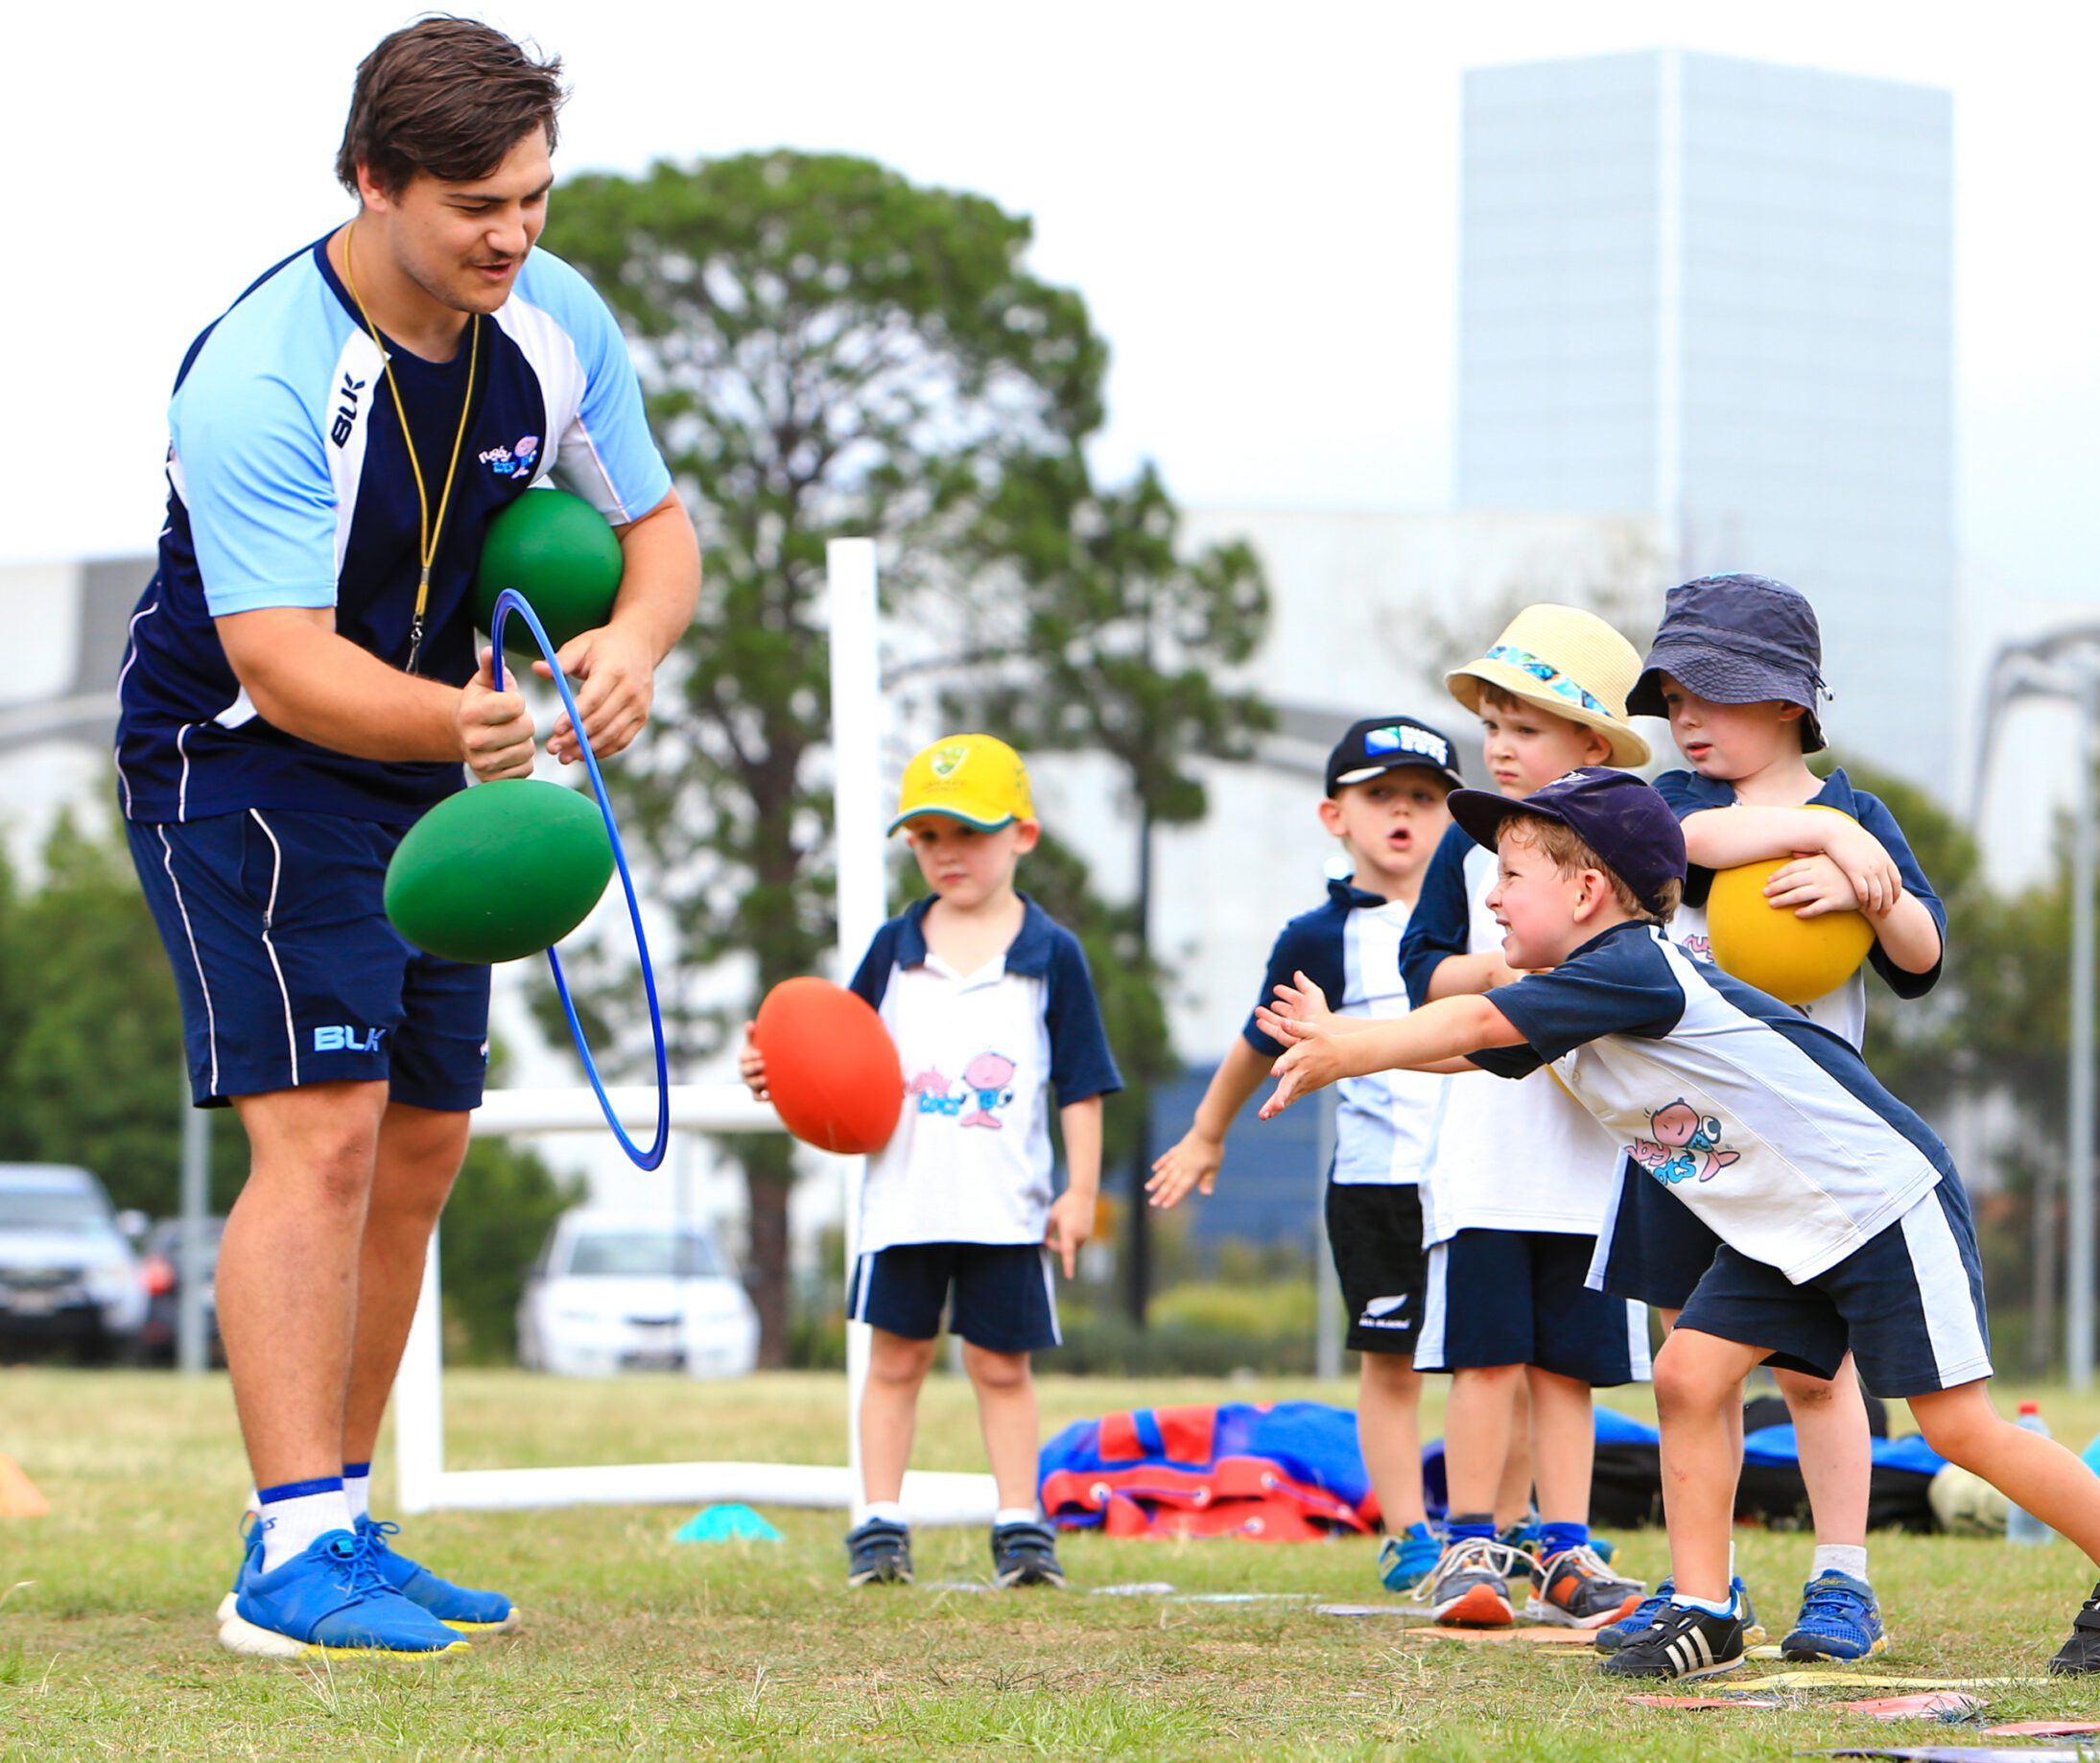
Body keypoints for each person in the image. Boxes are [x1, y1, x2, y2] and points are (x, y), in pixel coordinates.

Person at [115, 18, 698, 1659]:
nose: (513, 236)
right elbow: (278, 658)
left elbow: (657, 532)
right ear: (371, 183)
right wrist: (462, 724)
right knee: (325, 1129)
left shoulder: (554, 316)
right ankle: (290, 1557)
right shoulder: (263, 375)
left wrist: (636, 644)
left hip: (435, 771)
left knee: (426, 1136)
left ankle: (341, 1519)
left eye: (533, 198)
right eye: (474, 207)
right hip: (243, 770)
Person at [1254, 770, 2100, 1682]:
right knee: (1688, 1370)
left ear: (1587, 890)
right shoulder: (1589, 985)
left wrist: (1348, 1047)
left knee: (1956, 1424)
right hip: (1783, 1229)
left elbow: (1478, 1018)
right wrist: (1351, 1042)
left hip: (1872, 1204)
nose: (1490, 898)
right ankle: (1704, 1607)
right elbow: (1475, 1043)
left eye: (1509, 876)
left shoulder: (1627, 964)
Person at [1596, 572, 1946, 1664]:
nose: (1685, 718)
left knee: (1813, 1368)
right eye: (1672, 697)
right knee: (1682, 1354)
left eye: (1711, 693)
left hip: (1810, 1148)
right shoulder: (1670, 804)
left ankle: (1841, 1578)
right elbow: (1673, 846)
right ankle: (1705, 1585)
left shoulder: (1861, 820)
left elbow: (1924, 956)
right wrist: (1819, 840)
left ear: (1790, 700)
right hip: (1678, 1135)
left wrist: (1866, 886)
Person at [743, 734, 1119, 1589]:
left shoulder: (1052, 955)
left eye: (969, 833)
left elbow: (1083, 1083)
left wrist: (1080, 1191)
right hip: (904, 1205)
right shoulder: (893, 946)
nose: (948, 854)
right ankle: (879, 1524)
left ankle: (1021, 1526)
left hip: (1008, 1209)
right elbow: (831, 1055)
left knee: (1001, 1367)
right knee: (897, 1360)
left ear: (1022, 835)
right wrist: (772, 1064)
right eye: (927, 838)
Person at [1146, 714, 1462, 1592]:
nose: (1403, 814)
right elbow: (1257, 1038)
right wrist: (1208, 1131)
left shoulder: (1488, 918)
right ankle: (1410, 1534)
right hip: (1376, 1188)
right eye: (1382, 797)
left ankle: (1496, 1528)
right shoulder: (1315, 936)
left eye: (1425, 798)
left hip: (1480, 1186)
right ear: (1336, 817)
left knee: (1493, 1364)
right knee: (1391, 1362)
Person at [1393, 606, 1656, 1630]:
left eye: (1527, 726)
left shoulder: (1626, 860)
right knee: (1486, 1358)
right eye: (1492, 723)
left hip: (1592, 1169)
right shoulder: (1468, 860)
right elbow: (1422, 976)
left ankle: (1565, 1548)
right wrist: (1504, 965)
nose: (1499, 745)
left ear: (1593, 746)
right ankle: (1470, 1544)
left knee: (1569, 1370)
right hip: (1488, 1164)